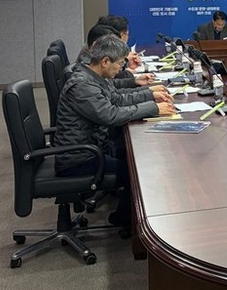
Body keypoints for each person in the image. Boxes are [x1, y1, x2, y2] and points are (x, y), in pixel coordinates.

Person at [54, 34, 177, 226]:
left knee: (141, 156)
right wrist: (154, 108)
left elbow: (117, 99)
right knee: (137, 172)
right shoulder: (82, 85)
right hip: (79, 158)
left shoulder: (94, 76)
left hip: (94, 146)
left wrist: (150, 95)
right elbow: (110, 115)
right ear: (105, 61)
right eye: (119, 64)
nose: (121, 68)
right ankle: (124, 220)